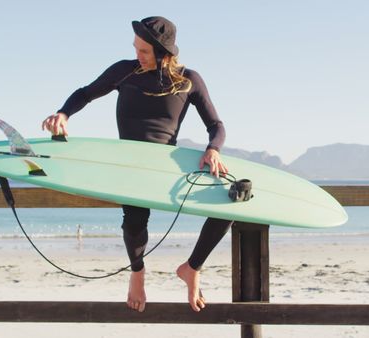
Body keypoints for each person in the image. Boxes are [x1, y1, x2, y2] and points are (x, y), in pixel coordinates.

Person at [41, 16, 233, 313]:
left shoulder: (188, 80)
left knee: (228, 204)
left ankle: (192, 268)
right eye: (136, 48)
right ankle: (137, 272)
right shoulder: (124, 71)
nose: (137, 56)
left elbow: (217, 125)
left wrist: (213, 149)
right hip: (129, 166)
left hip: (165, 165)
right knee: (134, 222)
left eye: (144, 51)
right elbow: (85, 94)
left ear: (164, 54)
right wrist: (63, 114)